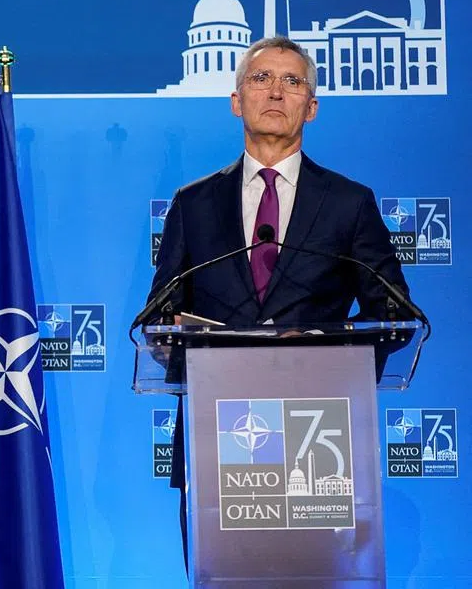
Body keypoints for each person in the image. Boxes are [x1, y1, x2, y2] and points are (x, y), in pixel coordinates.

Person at [144, 36, 411, 569]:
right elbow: (157, 317)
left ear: (310, 107)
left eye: (292, 81)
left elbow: (395, 316)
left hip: (320, 440)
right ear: (236, 100)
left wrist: (323, 356)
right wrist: (178, 335)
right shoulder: (193, 203)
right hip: (216, 435)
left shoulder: (348, 202)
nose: (275, 92)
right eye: (260, 78)